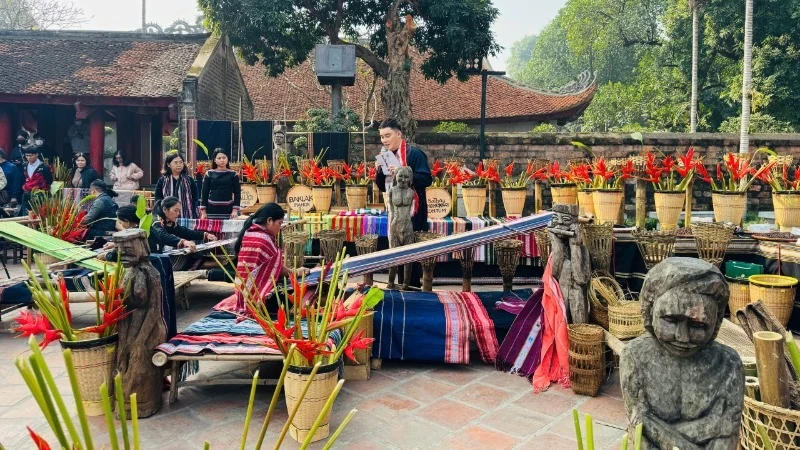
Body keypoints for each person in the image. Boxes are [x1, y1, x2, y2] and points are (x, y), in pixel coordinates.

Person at [215, 203, 309, 315]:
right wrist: (296, 272)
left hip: (242, 293)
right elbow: (278, 270)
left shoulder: (250, 233)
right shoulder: (264, 240)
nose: (280, 228)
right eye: (279, 223)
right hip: (257, 298)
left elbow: (272, 267)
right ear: (269, 221)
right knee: (299, 294)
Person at [374, 118, 432, 232]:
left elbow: (426, 179)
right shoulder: (386, 156)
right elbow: (382, 187)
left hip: (414, 213)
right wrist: (379, 171)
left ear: (398, 134)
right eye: (382, 137)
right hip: (393, 211)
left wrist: (402, 172)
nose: (384, 140)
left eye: (387, 135)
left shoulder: (415, 153)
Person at [151, 196, 217, 270]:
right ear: (165, 209)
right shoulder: (156, 221)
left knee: (194, 253)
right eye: (175, 210)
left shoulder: (169, 222)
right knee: (188, 254)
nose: (178, 214)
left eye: (179, 211)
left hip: (159, 253)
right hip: (152, 255)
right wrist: (183, 242)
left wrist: (205, 235)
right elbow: (162, 235)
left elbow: (184, 232)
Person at [154, 151, 198, 219]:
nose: (179, 165)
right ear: (168, 164)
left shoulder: (189, 180)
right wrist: (161, 214)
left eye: (181, 162)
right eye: (176, 162)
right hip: (167, 216)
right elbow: (158, 199)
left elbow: (195, 198)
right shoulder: (162, 181)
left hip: (187, 215)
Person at [199, 148, 241, 219]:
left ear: (227, 159)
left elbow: (237, 193)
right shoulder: (209, 174)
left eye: (224, 158)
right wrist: (203, 212)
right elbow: (204, 193)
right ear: (215, 160)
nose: (222, 160)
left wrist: (235, 210)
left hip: (228, 210)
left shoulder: (233, 174)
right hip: (211, 209)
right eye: (219, 158)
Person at [20, 148, 52, 216]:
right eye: (27, 155)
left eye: (31, 155)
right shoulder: (24, 165)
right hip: (27, 194)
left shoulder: (44, 167)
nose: (28, 157)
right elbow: (22, 179)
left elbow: (49, 181)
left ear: (37, 154)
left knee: (39, 217)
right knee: (26, 216)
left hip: (40, 195)